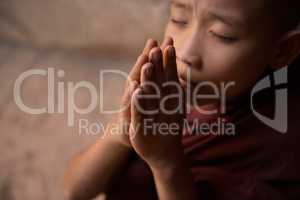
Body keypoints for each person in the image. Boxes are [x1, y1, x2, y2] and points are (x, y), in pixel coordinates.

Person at [63, 0, 300, 199]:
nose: (185, 53)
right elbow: (73, 192)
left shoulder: (280, 144)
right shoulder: (163, 94)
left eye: (222, 35)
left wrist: (166, 161)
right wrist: (119, 132)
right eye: (179, 19)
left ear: (283, 50)